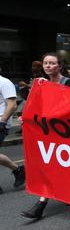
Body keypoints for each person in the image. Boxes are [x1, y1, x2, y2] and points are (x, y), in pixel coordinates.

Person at [21, 53, 70, 220]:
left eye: (52, 63)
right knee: (50, 166)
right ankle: (41, 204)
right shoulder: (41, 84)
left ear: (59, 66)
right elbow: (36, 106)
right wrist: (26, 117)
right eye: (46, 63)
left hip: (68, 134)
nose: (48, 66)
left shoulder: (69, 82)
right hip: (50, 133)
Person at [0, 67, 25, 195]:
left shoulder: (4, 82)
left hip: (1, 122)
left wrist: (2, 121)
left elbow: (12, 105)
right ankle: (18, 170)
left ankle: (18, 171)